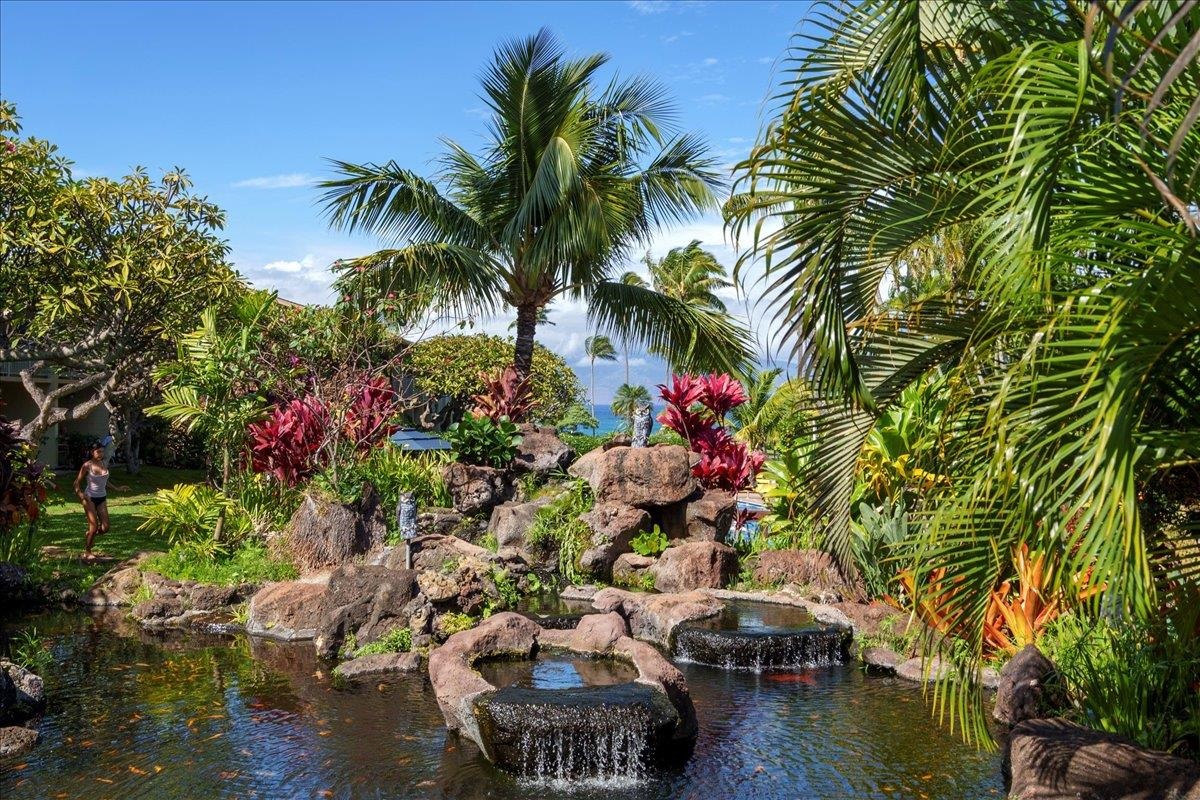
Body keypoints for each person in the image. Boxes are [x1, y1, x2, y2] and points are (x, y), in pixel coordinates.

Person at [74, 443, 129, 561]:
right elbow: (76, 484)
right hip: (90, 498)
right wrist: (81, 495)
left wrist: (117, 488)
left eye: (102, 451)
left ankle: (90, 534)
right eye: (98, 451)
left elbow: (104, 481)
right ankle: (87, 551)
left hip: (102, 498)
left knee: (105, 528)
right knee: (93, 527)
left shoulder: (104, 464)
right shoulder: (87, 466)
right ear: (92, 452)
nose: (101, 454)